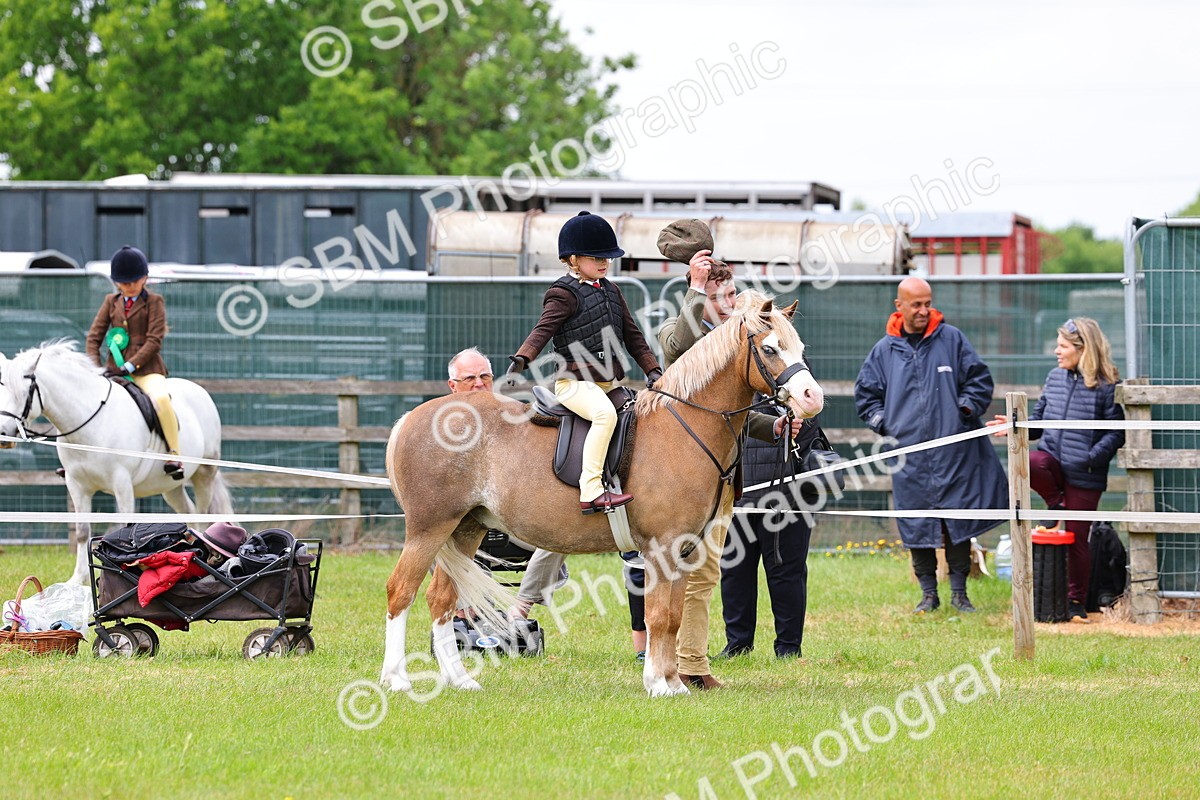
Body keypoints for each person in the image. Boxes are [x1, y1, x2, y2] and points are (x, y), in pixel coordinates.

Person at [656, 219, 801, 690]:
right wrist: (697, 290)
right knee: (670, 568)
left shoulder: (744, 340)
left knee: (705, 572)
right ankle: (660, 659)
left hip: (719, 477)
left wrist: (774, 423)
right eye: (718, 297)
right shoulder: (675, 330)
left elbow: (733, 416)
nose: (728, 303)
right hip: (674, 479)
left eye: (731, 294)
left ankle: (693, 665)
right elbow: (678, 351)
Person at [854, 276, 1007, 614]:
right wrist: (885, 424)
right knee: (917, 521)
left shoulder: (952, 339)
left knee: (958, 521)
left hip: (955, 454)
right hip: (910, 457)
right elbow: (866, 396)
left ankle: (959, 594)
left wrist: (964, 408)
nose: (924, 310)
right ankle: (928, 595)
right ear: (900, 306)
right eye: (917, 304)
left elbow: (980, 381)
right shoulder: (884, 350)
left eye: (928, 303)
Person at [510, 211, 662, 514]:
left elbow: (632, 335)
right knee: (605, 416)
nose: (605, 262)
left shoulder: (611, 289)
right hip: (574, 384)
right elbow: (544, 329)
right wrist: (522, 358)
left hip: (608, 382)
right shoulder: (562, 293)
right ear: (573, 259)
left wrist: (652, 369)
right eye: (596, 257)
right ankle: (591, 490)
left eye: (608, 257)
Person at [988, 317, 1124, 623]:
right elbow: (1036, 423)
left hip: (1086, 474)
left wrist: (1091, 457)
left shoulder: (1107, 385)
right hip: (1053, 465)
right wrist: (1014, 427)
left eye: (1062, 346)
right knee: (1032, 462)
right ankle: (1056, 503)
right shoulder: (1054, 377)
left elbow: (1117, 432)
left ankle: (1075, 602)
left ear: (1082, 349)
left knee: (1076, 539)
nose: (1056, 351)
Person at [719, 404, 821, 660]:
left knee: (786, 573)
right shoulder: (734, 384)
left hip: (787, 499)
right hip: (739, 497)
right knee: (735, 574)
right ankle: (738, 645)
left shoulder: (798, 389)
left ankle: (788, 647)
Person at [85, 245, 183, 478]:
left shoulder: (154, 302)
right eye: (123, 283)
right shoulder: (111, 301)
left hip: (147, 370)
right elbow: (94, 338)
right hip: (113, 372)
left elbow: (154, 340)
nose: (128, 287)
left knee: (160, 399)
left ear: (144, 278)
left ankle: (174, 454)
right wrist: (95, 368)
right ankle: (81, 461)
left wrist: (131, 365)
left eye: (133, 282)